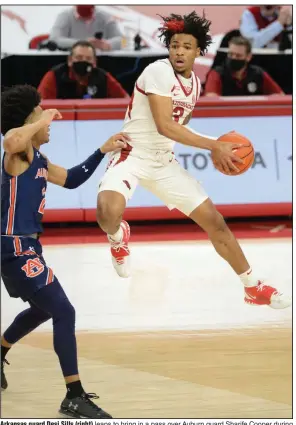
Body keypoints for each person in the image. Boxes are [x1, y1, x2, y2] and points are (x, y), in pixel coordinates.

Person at [96, 12, 291, 310]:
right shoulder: (158, 71)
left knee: (216, 222)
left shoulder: (196, 86)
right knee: (107, 213)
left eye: (186, 46)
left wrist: (215, 146)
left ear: (198, 51)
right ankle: (118, 235)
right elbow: (165, 125)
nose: (179, 51)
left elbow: (179, 128)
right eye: (174, 45)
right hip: (131, 154)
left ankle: (253, 287)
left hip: (163, 162)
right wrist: (214, 144)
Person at [1, 84, 129, 418]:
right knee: (64, 310)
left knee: (44, 309)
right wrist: (38, 117)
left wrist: (102, 151)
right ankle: (74, 394)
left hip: (27, 247)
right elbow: (12, 139)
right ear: (29, 118)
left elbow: (72, 179)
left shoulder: (37, 157)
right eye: (41, 114)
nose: (49, 122)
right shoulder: (20, 150)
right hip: (14, 246)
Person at [38, 40, 129, 100]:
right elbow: (39, 106)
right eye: (79, 57)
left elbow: (125, 100)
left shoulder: (103, 77)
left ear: (94, 62)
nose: (83, 61)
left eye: (88, 58)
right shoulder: (54, 76)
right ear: (70, 60)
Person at [204, 36, 283, 97]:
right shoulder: (216, 73)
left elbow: (280, 95)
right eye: (231, 54)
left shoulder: (258, 73)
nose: (233, 58)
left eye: (238, 56)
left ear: (248, 57)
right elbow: (211, 98)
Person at [49, 5, 123, 51]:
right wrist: (83, 44)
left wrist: (108, 44)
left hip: (101, 61)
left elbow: (123, 40)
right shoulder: (65, 16)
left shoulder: (105, 16)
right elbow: (54, 39)